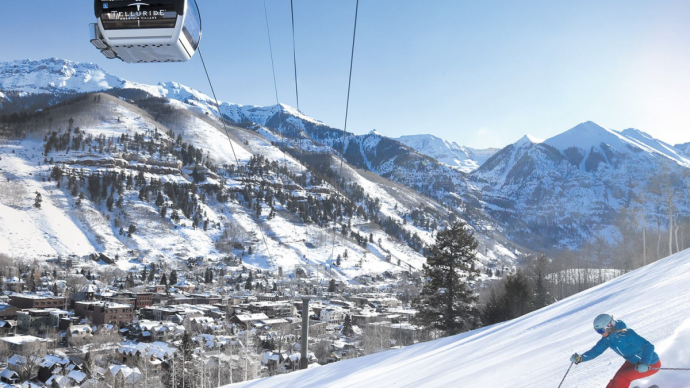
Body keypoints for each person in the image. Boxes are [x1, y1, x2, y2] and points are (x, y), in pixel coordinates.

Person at [570, 314, 661, 388]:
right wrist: (581, 358)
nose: (600, 333)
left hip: (650, 363)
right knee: (616, 380)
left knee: (622, 378)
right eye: (597, 331)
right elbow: (595, 351)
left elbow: (648, 346)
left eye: (601, 330)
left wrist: (645, 363)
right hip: (632, 362)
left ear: (609, 326)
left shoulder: (627, 334)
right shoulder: (608, 339)